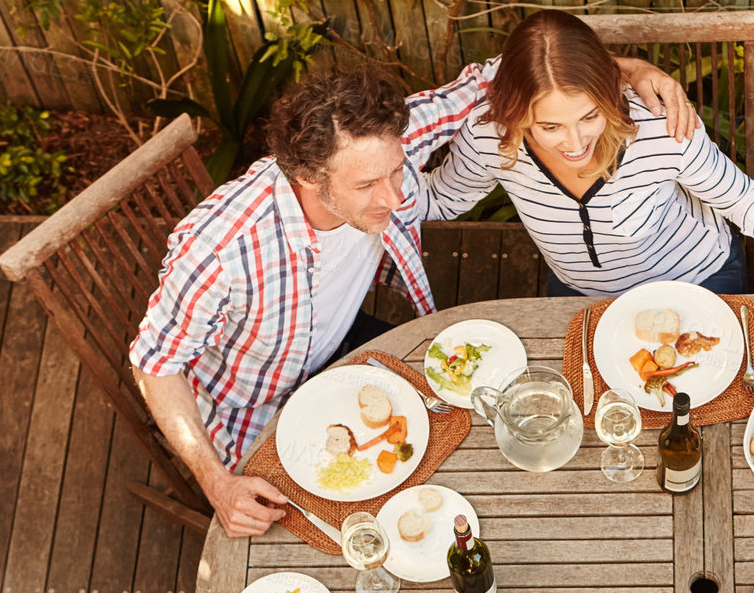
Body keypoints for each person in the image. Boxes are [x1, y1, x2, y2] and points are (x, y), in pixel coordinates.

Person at [129, 57, 690, 538]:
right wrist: (216, 482)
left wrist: (632, 69)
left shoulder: (383, 145)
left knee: (474, 419)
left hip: (344, 348)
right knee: (321, 532)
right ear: (305, 174)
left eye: (398, 171)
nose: (397, 198)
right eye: (368, 186)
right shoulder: (219, 249)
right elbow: (154, 364)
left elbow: (511, 70)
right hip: (250, 409)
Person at [419, 10, 754, 297]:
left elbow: (740, 198)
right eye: (549, 127)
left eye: (589, 116)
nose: (575, 142)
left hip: (698, 281)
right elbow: (437, 201)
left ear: (611, 93)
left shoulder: (659, 124)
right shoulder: (489, 138)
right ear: (516, 115)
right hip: (581, 294)